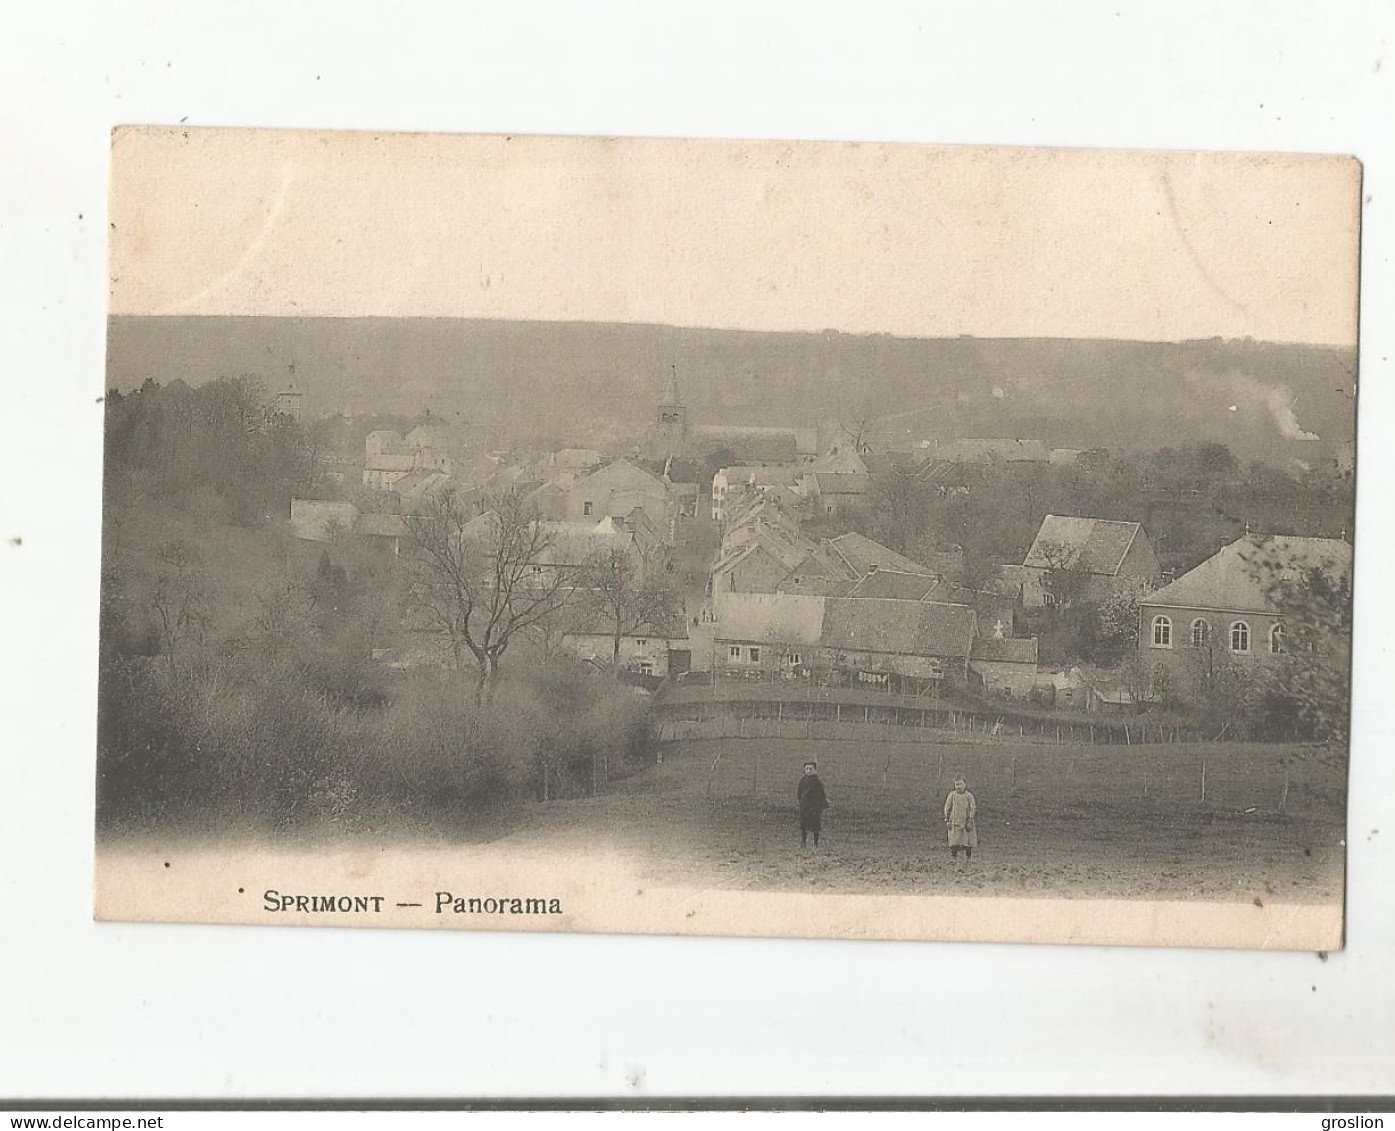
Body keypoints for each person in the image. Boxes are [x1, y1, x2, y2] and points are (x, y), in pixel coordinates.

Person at [797, 760, 830, 849]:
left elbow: (822, 793)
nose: (808, 771)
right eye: (807, 769)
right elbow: (799, 793)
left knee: (815, 826)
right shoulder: (802, 781)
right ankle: (803, 842)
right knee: (803, 825)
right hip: (805, 807)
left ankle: (815, 844)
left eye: (811, 769)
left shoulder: (817, 782)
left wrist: (822, 803)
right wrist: (802, 802)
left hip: (814, 807)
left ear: (815, 770)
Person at [943, 778, 977, 863]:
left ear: (965, 785)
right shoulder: (952, 795)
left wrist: (970, 819)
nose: (959, 787)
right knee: (954, 841)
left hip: (966, 822)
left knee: (968, 841)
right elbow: (947, 807)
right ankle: (954, 858)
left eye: (960, 784)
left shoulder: (969, 796)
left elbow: (973, 808)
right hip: (955, 822)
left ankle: (968, 859)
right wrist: (947, 820)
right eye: (957, 784)